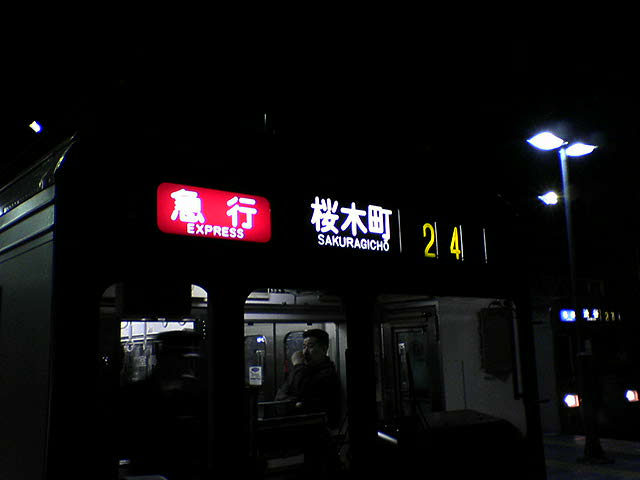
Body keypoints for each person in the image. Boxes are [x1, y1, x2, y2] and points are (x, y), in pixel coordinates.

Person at [276, 329, 340, 428]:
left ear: (324, 349)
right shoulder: (302, 371)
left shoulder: (327, 375)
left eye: (310, 346)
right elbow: (280, 397)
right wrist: (296, 403)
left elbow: (303, 390)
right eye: (304, 347)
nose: (305, 352)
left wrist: (298, 365)